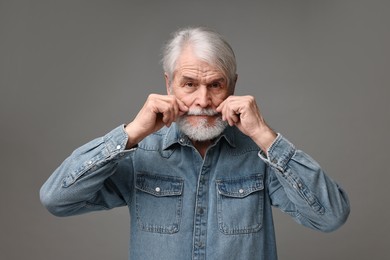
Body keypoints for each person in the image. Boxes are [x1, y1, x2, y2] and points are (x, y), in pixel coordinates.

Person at [40, 27, 350, 260]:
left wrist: (266, 137)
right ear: (168, 84)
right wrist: (131, 133)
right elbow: (57, 199)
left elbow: (331, 216)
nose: (203, 100)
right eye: (189, 84)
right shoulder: (140, 152)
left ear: (233, 86)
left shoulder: (259, 154)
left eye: (215, 85)